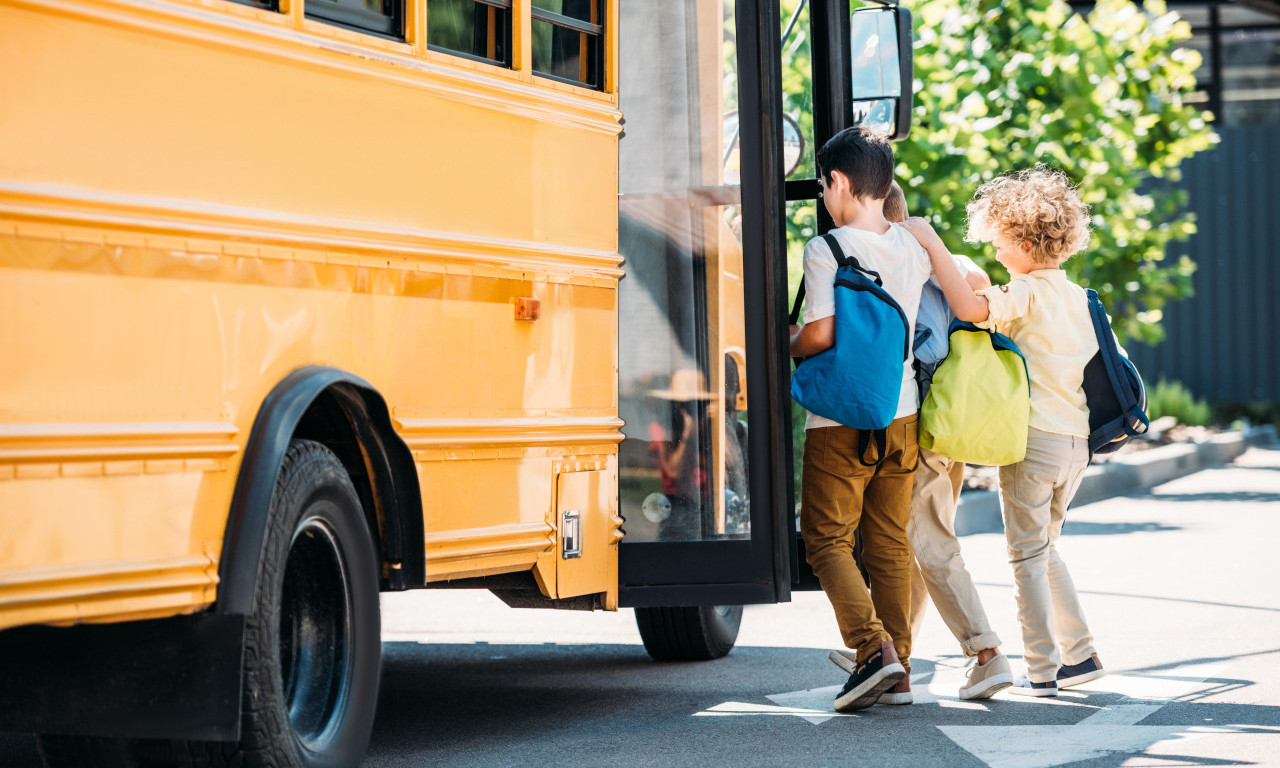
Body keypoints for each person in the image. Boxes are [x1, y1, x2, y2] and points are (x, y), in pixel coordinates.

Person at [788, 128, 982, 711]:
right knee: (889, 542)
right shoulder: (911, 247)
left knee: (825, 539)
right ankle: (897, 673)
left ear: (839, 182)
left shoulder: (827, 248)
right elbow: (965, 290)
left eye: (823, 185)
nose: (824, 196)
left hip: (840, 418)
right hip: (901, 414)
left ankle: (872, 652)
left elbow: (820, 334)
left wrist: (787, 339)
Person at [902, 166, 1107, 697]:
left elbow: (973, 308)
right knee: (1047, 546)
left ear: (1020, 240)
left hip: (1035, 441)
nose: (995, 253)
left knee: (1025, 557)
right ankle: (1080, 653)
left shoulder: (1027, 293)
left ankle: (1041, 667)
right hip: (1076, 444)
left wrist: (929, 240)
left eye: (998, 242)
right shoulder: (1077, 296)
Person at [884, 182, 1015, 701]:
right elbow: (976, 291)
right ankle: (899, 661)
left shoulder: (892, 267)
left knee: (929, 540)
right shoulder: (959, 265)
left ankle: (985, 652)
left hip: (919, 423)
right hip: (956, 423)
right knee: (918, 541)